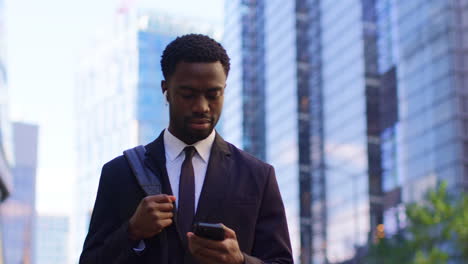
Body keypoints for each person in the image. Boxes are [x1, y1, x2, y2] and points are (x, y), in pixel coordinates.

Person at [79, 34, 293, 264]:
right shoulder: (120, 173)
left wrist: (240, 261)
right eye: (188, 94)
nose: (201, 107)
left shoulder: (258, 176)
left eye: (213, 95)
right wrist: (131, 231)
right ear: (166, 90)